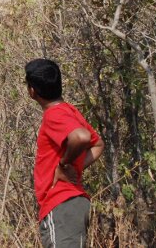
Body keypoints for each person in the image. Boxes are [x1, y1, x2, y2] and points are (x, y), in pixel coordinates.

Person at [25, 59, 104, 248]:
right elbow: (98, 144)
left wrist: (63, 165)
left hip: (60, 204)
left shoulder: (54, 114)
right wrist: (74, 168)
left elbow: (82, 137)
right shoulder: (69, 110)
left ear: (32, 91)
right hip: (73, 203)